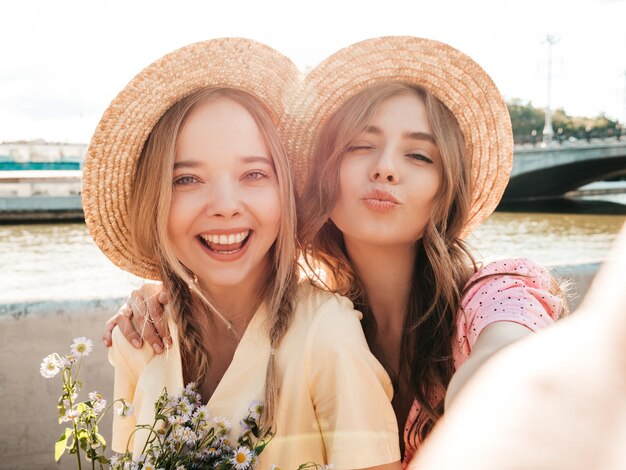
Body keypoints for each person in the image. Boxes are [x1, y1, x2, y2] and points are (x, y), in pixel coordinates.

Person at [103, 37, 565, 464]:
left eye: (419, 156)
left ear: (447, 189)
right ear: (324, 175)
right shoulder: (325, 310)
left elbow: (506, 357)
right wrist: (164, 291)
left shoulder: (493, 292)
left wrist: (495, 392)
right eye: (361, 146)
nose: (385, 168)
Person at [84, 38, 401, 469]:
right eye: (187, 180)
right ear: (153, 200)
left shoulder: (325, 337)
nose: (225, 204)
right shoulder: (141, 339)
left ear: (287, 192)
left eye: (254, 174)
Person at [409, 222, 626, 470]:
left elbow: (504, 345)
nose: (386, 179)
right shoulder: (352, 325)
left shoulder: (497, 288)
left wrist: (496, 400)